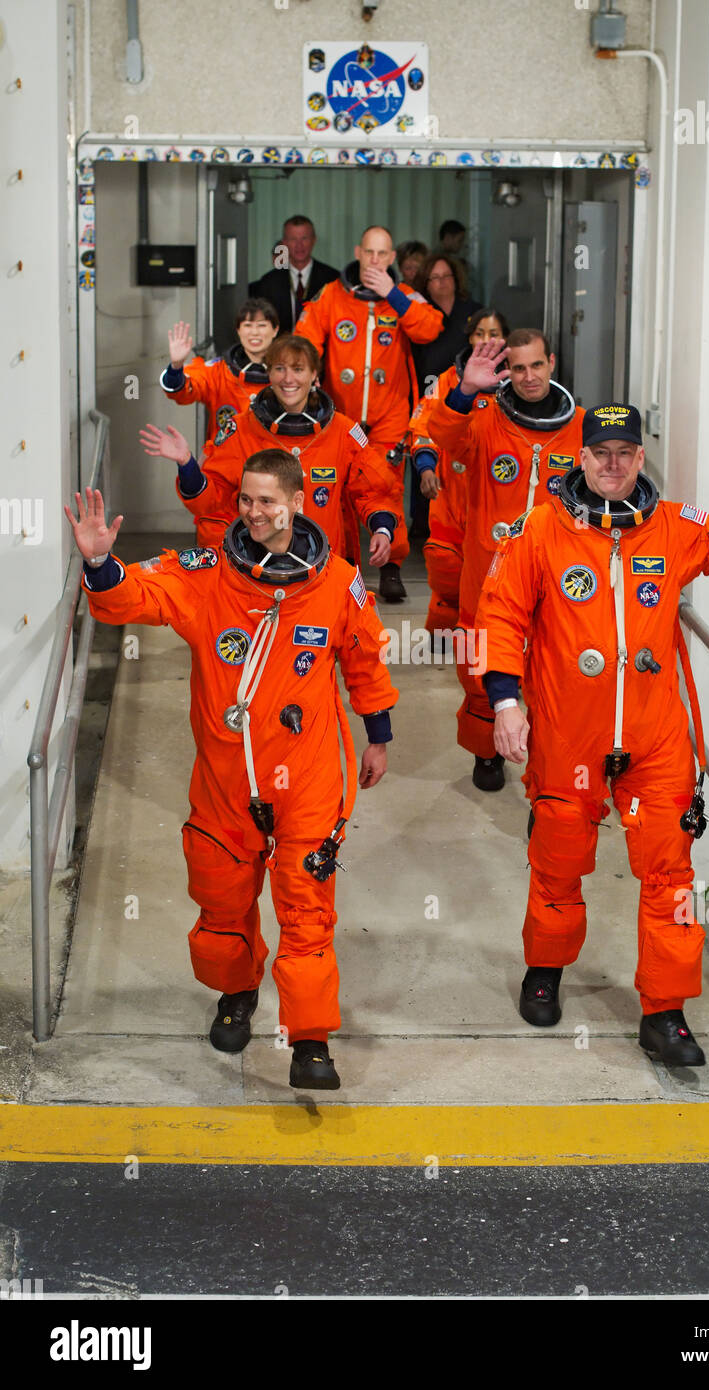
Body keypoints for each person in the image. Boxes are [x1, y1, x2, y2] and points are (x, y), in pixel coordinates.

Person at [476, 403, 709, 1067]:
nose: (612, 463)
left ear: (639, 456)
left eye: (625, 451)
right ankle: (544, 971)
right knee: (558, 864)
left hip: (655, 741)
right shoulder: (541, 530)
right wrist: (507, 703)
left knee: (670, 878)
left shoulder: (674, 525)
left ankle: (665, 1012)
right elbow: (500, 616)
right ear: (581, 456)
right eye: (601, 452)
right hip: (570, 736)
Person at [65, 456, 398, 1091]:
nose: (254, 512)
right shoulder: (208, 574)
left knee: (306, 911)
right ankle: (238, 992)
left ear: (298, 502)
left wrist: (377, 736)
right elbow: (134, 598)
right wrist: (101, 563)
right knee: (222, 905)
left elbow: (365, 663)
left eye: (268, 501)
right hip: (226, 785)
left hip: (307, 778)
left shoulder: (339, 583)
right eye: (246, 500)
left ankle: (310, 1041)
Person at [427, 330, 585, 791]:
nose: (529, 376)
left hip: (554, 571)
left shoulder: (579, 427)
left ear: (552, 363)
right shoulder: (485, 420)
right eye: (518, 368)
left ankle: (550, 767)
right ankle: (487, 750)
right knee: (481, 667)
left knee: (553, 671)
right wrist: (465, 390)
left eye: (536, 365)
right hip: (489, 571)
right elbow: (443, 435)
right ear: (507, 372)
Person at [142, 334, 407, 578]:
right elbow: (211, 501)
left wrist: (382, 529)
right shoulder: (241, 429)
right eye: (279, 369)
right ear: (268, 374)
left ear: (315, 375)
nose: (288, 379)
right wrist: (187, 464)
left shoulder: (343, 431)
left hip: (323, 571)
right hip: (255, 570)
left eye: (298, 369)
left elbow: (374, 491)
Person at [295, 225, 443, 602]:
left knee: (386, 487)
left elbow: (430, 328)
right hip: (340, 416)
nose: (375, 260)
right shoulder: (332, 296)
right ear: (359, 252)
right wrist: (305, 380)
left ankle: (391, 567)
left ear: (392, 259)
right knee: (338, 490)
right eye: (370, 253)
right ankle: (343, 568)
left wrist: (391, 293)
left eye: (383, 255)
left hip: (388, 414)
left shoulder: (404, 297)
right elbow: (305, 338)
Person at [408, 307, 510, 634]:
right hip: (451, 488)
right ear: (469, 338)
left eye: (494, 334)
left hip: (496, 492)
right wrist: (425, 467)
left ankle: (486, 631)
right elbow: (426, 426)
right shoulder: (448, 381)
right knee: (445, 562)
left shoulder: (515, 381)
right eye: (480, 333)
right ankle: (441, 623)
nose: (487, 340)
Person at [160, 300, 279, 447]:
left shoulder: (288, 374)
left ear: (275, 330)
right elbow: (184, 391)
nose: (254, 332)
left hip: (274, 462)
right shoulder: (218, 371)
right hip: (225, 463)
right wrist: (176, 367)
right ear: (238, 330)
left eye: (262, 325)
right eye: (248, 325)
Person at [249, 216, 339, 335]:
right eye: (293, 239)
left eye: (304, 238)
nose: (299, 245)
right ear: (284, 243)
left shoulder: (332, 279)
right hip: (279, 350)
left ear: (314, 240)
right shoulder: (269, 282)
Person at [413, 252, 483, 390]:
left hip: (467, 387)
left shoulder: (475, 311)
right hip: (429, 389)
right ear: (426, 283)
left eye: (447, 276)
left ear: (456, 279)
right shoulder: (420, 314)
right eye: (435, 277)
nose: (442, 281)